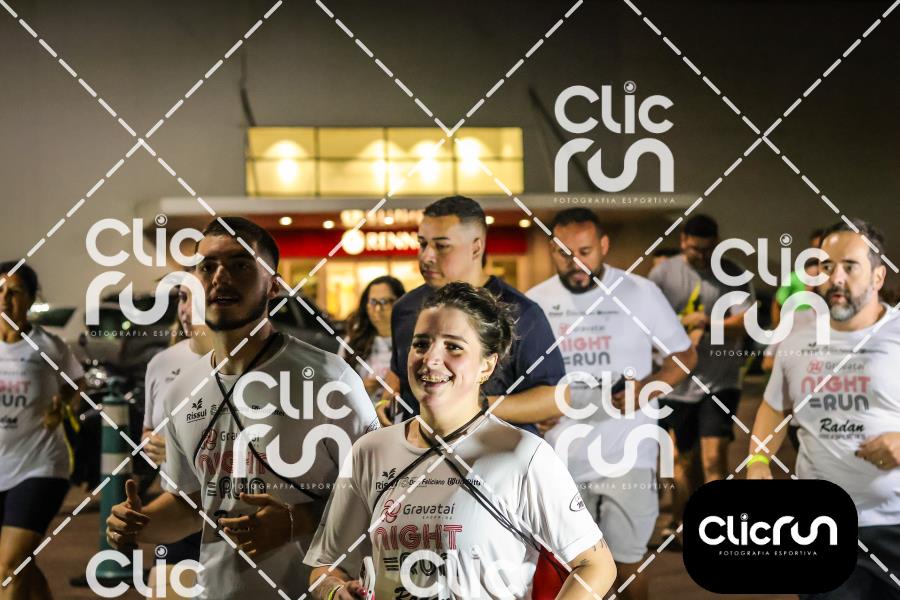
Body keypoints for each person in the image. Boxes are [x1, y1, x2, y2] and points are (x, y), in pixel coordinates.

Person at [106, 217, 378, 599]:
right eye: (207, 267)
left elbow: (380, 493)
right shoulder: (181, 390)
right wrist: (139, 523)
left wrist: (298, 520)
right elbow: (192, 504)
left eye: (240, 265)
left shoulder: (329, 378)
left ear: (273, 286)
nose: (220, 278)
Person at [305, 282, 617, 599]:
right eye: (421, 344)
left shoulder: (523, 454)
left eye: (453, 347)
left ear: (487, 365)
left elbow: (596, 565)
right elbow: (325, 568)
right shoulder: (370, 451)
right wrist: (335, 592)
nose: (431, 359)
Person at [527, 209, 696, 600]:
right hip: (562, 458)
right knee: (572, 570)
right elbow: (523, 375)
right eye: (563, 253)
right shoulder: (536, 302)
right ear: (551, 250)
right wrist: (536, 413)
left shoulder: (640, 292)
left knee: (627, 565)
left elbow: (685, 355)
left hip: (627, 454)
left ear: (603, 245)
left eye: (584, 251)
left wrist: (647, 388)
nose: (575, 263)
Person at [748, 219, 900, 599]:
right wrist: (758, 462)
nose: (836, 278)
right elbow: (774, 407)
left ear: (878, 276)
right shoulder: (797, 337)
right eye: (827, 266)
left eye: (850, 266)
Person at [388, 196, 566, 428]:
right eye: (423, 244)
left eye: (441, 246)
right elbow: (398, 374)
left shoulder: (520, 312)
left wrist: (477, 404)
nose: (426, 256)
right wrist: (385, 401)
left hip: (494, 445)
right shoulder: (405, 308)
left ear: (476, 247)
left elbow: (556, 398)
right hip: (419, 444)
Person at [648, 214, 753, 535]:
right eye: (696, 249)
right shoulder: (663, 274)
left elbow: (745, 322)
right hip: (676, 384)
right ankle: (684, 524)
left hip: (719, 382)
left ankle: (719, 529)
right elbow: (645, 322)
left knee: (713, 459)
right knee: (683, 461)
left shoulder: (733, 274)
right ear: (683, 242)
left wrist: (707, 323)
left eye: (708, 249)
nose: (703, 256)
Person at [0, 262, 83, 600]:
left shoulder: (48, 347)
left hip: (40, 465)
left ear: (31, 299)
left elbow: (76, 383)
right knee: (20, 563)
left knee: (9, 566)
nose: (4, 299)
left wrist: (63, 406)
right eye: (0, 291)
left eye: (14, 292)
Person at [140, 281, 212, 599]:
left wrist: (182, 448)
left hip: (233, 518)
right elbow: (148, 431)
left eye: (197, 299)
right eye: (183, 298)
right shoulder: (162, 363)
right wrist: (151, 445)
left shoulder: (247, 364)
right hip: (178, 509)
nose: (186, 309)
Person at [339, 276, 404, 418]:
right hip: (360, 419)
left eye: (385, 302)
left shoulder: (410, 341)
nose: (378, 309)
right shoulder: (353, 341)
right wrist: (360, 389)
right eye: (373, 302)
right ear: (366, 305)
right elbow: (336, 386)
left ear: (400, 302)